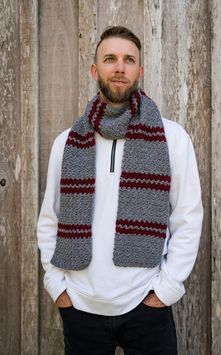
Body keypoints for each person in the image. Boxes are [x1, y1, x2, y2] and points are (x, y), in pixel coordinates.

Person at [37, 26, 203, 355]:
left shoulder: (172, 137)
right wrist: (57, 287)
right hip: (80, 309)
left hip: (146, 308)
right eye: (110, 58)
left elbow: (187, 217)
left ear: (139, 71)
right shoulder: (67, 142)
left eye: (129, 60)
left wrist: (165, 291)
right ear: (94, 69)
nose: (119, 67)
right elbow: (49, 220)